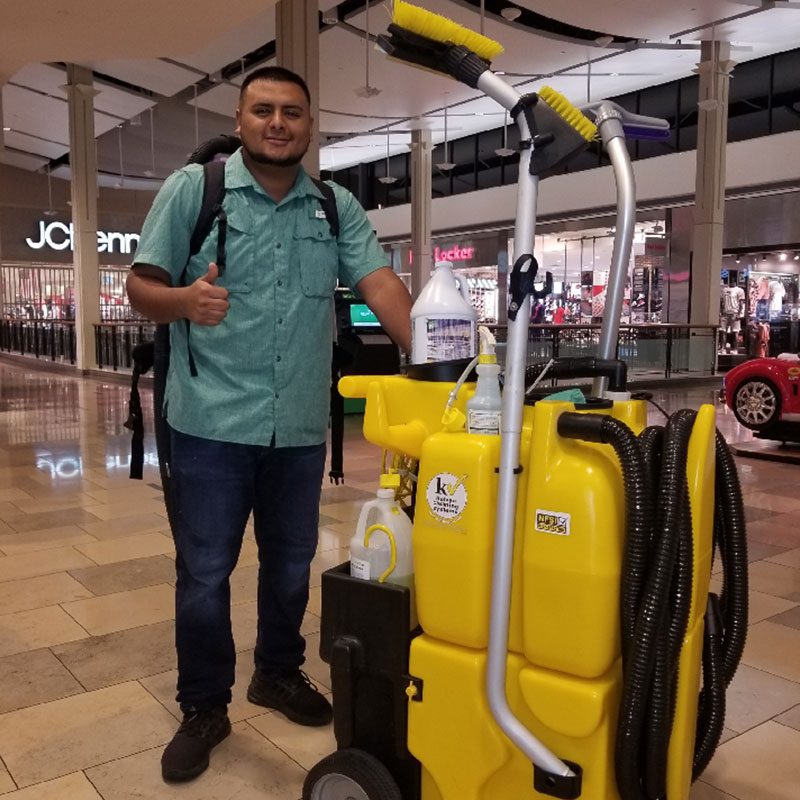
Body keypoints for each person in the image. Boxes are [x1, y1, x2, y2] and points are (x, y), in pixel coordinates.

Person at [126, 66, 412, 784]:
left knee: (291, 563)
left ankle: (277, 673)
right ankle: (203, 705)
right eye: (263, 110)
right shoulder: (196, 191)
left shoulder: (333, 205)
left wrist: (445, 357)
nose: (277, 122)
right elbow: (140, 286)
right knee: (206, 572)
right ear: (242, 118)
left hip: (297, 431)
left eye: (291, 112)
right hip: (209, 424)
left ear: (311, 126)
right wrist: (184, 302)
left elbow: (378, 283)